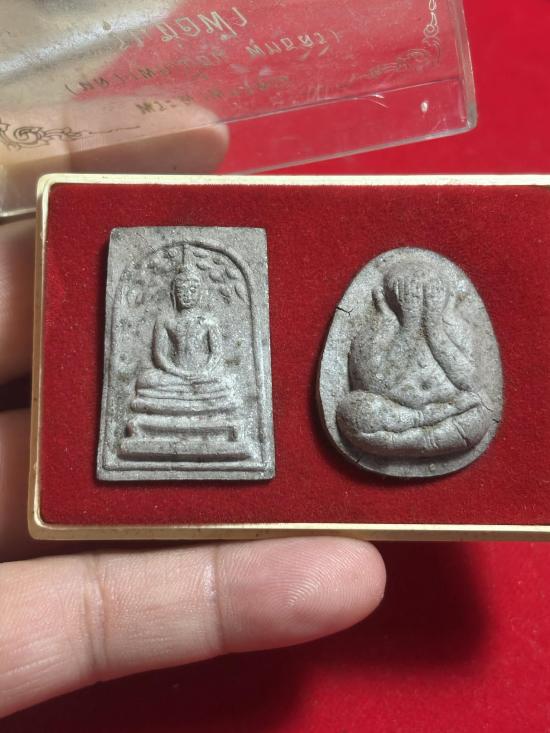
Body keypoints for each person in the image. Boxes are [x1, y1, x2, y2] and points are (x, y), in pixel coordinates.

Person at [0, 140, 386, 718]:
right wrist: (178, 375)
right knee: (149, 386)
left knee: (226, 388)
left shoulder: (208, 318)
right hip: (169, 384)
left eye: (190, 290)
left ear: (200, 293)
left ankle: (213, 431)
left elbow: (219, 359)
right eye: (180, 291)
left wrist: (198, 376)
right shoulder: (163, 316)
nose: (184, 295)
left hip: (207, 385)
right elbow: (158, 359)